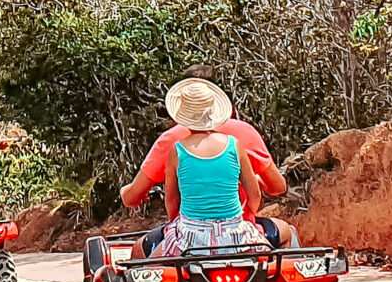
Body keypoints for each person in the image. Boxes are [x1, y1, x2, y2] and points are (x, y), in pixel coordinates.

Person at [121, 68, 293, 246]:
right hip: (237, 232)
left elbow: (159, 199)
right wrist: (249, 204)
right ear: (216, 103)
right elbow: (277, 187)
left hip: (191, 236)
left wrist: (176, 223)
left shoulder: (173, 144)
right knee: (287, 232)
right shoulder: (240, 138)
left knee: (139, 253)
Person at [148, 78, 269, 256]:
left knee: (149, 267)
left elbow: (171, 201)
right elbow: (255, 194)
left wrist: (177, 223)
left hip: (191, 237)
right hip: (234, 234)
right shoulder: (234, 145)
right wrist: (248, 213)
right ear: (214, 113)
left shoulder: (177, 150)